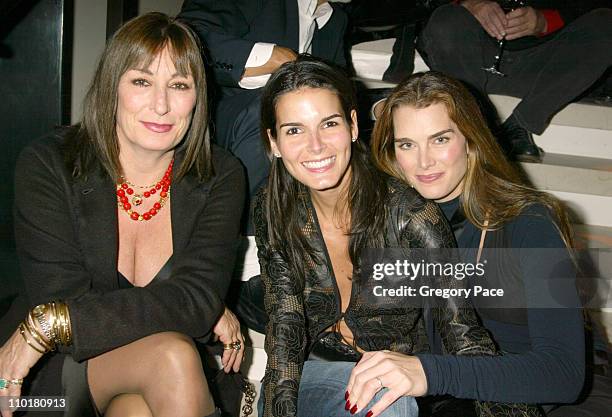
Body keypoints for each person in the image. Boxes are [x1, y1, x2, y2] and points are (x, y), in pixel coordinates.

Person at [254, 57, 540, 417]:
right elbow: (286, 328)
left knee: (389, 400)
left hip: (396, 387)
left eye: (329, 124)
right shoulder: (273, 208)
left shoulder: (410, 215)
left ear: (354, 125)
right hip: (308, 379)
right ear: (274, 142)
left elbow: (461, 332)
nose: (315, 146)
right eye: (294, 130)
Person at [0, 13, 245, 417]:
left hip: (161, 383)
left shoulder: (220, 174)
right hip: (46, 384)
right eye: (142, 81)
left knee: (138, 407)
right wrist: (187, 305)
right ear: (111, 87)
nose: (161, 105)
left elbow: (199, 298)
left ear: (198, 98)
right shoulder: (50, 163)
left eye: (179, 85)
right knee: (172, 353)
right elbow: (59, 298)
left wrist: (51, 322)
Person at [369, 71, 611, 415]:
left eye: (440, 139)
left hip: (560, 400)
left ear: (471, 140)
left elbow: (564, 373)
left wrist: (429, 373)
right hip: (464, 397)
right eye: (407, 144)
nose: (423, 162)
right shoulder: (400, 223)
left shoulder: (531, 222)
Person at [178, 0, 348, 215]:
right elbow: (187, 38)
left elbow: (341, 87)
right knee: (274, 111)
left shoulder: (335, 19)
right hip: (225, 128)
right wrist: (272, 57)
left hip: (296, 133)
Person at [417, 0, 612, 162]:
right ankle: (476, 126)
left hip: (543, 62)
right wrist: (469, 5)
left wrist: (545, 21)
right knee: (447, 17)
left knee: (606, 22)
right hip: (468, 55)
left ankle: (519, 125)